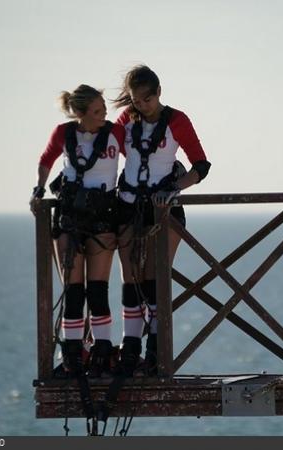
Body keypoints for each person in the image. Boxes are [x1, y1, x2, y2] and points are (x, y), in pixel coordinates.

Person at [112, 65, 211, 376]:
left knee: (156, 280)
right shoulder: (125, 120)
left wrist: (174, 188)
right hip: (128, 208)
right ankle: (130, 350)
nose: (142, 106)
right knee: (131, 279)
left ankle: (155, 352)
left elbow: (201, 165)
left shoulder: (176, 120)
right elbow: (104, 150)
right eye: (135, 101)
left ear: (158, 93)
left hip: (164, 212)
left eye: (147, 99)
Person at [29, 85, 125, 378]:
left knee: (97, 290)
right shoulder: (64, 133)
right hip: (69, 218)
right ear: (80, 114)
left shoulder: (115, 133)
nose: (104, 115)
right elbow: (46, 159)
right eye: (97, 111)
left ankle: (102, 352)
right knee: (73, 292)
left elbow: (136, 158)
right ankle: (73, 354)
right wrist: (39, 189)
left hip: (103, 217)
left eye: (104, 109)